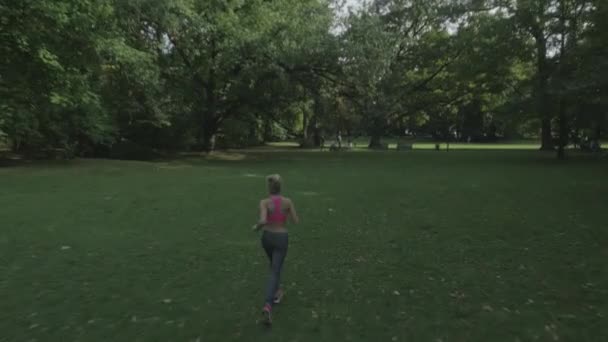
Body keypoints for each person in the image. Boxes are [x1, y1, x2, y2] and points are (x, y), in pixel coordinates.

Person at [252, 174, 299, 325]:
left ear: (269, 188)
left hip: (267, 238)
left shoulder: (264, 202)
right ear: (280, 188)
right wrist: (286, 213)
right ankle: (268, 304)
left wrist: (256, 227)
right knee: (275, 269)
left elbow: (263, 220)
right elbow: (296, 221)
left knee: (274, 266)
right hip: (280, 238)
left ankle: (277, 292)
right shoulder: (288, 201)